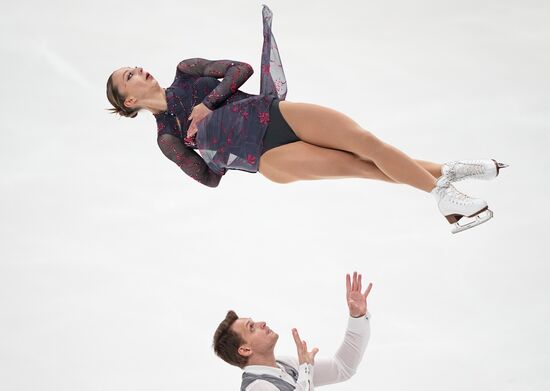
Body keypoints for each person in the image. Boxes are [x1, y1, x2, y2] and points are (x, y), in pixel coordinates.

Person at [105, 5, 507, 233]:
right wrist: (209, 152)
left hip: (278, 115)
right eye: (129, 76)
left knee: (368, 145)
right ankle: (445, 194)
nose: (139, 71)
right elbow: (210, 178)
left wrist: (207, 106)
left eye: (134, 68)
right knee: (362, 167)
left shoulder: (187, 71)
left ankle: (449, 175)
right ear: (129, 102)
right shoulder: (167, 137)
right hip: (267, 159)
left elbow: (240, 70)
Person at [212, 272, 372, 391]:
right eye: (251, 328)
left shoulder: (286, 365)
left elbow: (341, 368)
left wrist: (357, 318)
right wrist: (306, 370)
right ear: (245, 349)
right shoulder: (256, 387)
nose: (262, 323)